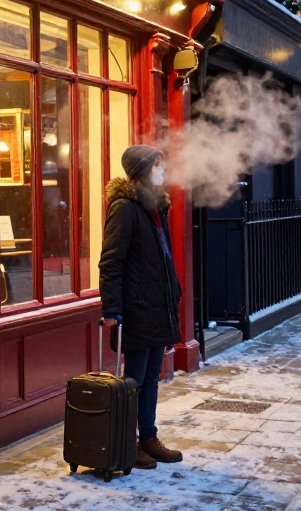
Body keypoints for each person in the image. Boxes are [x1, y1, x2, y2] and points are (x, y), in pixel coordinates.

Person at [99, 145, 184, 470]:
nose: (163, 170)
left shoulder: (156, 206)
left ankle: (148, 437)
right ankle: (127, 441)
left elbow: (163, 257)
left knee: (150, 378)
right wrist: (111, 310)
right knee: (134, 381)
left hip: (157, 307)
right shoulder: (124, 208)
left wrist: (173, 293)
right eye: (158, 165)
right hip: (136, 309)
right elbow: (111, 261)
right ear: (143, 170)